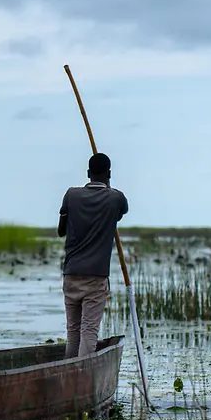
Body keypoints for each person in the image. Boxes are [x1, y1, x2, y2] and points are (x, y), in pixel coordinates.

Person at [57, 152, 129, 358]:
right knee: (88, 332)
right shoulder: (115, 197)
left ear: (88, 173)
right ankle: (81, 378)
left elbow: (61, 230)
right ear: (109, 174)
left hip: (71, 274)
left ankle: (70, 375)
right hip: (96, 277)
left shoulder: (71, 195)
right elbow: (121, 212)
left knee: (73, 333)